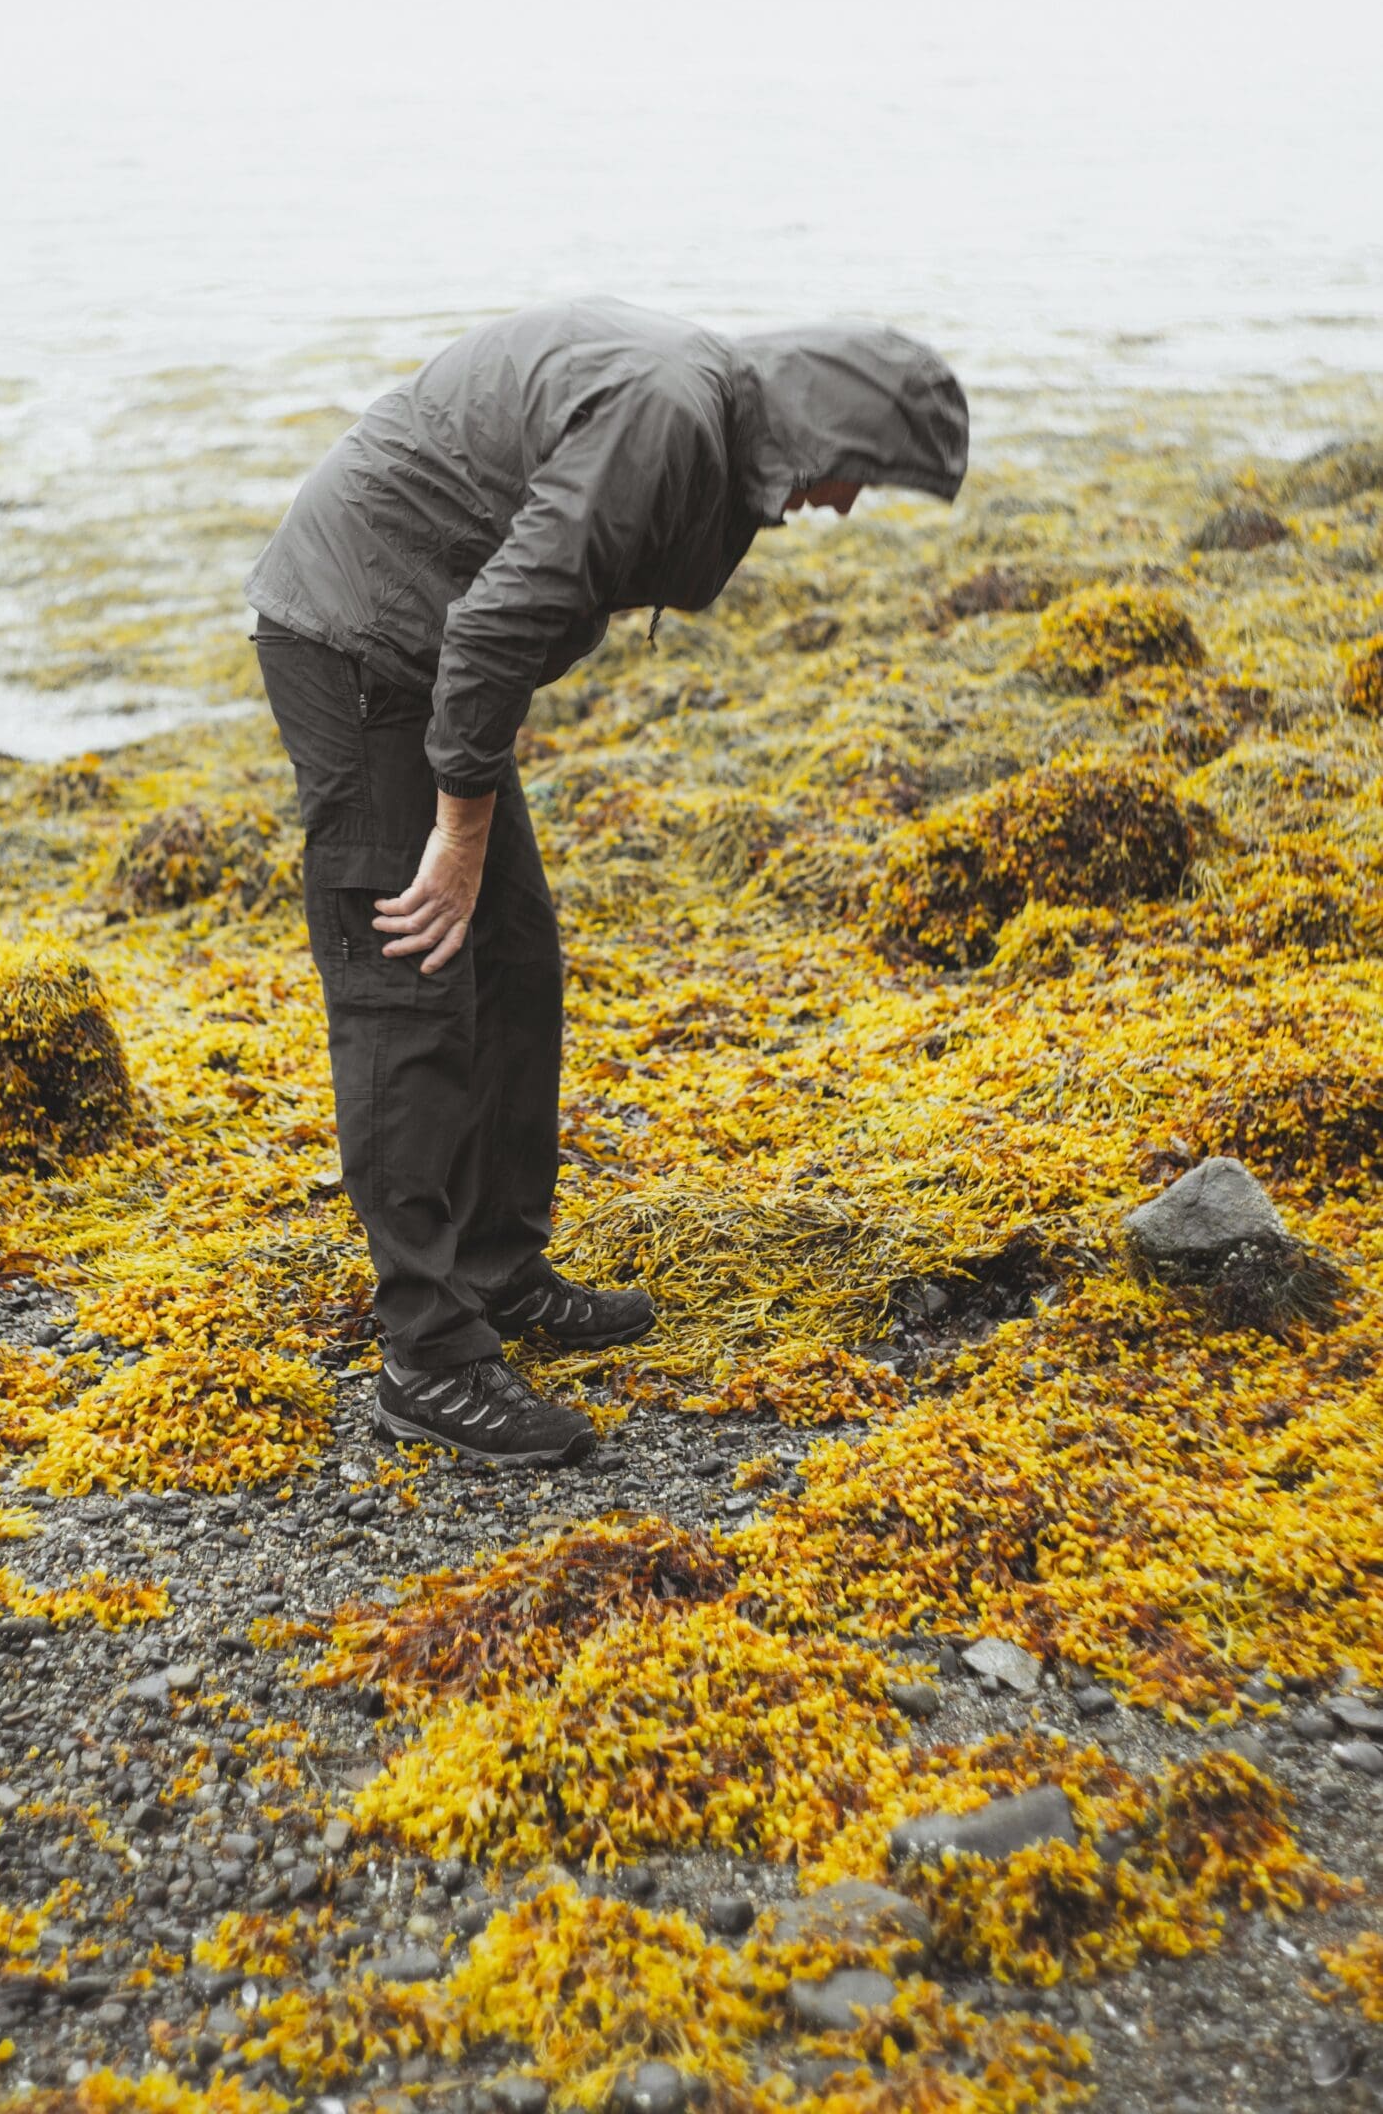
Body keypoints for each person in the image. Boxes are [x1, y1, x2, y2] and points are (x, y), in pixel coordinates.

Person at [249, 297, 968, 1467]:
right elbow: (492, 628)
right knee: (413, 978)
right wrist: (461, 830)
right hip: (363, 638)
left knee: (517, 965)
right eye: (856, 476)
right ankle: (427, 1354)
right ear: (822, 424)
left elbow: (507, 613)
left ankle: (497, 1268)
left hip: (425, 645)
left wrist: (470, 812)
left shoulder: (710, 412)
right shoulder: (670, 418)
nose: (838, 504)